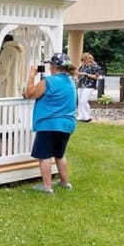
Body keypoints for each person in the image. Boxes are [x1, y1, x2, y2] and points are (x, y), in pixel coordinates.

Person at [24, 53, 77, 194]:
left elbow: (29, 93)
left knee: (44, 156)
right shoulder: (71, 82)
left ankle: (47, 187)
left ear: (53, 67)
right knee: (59, 155)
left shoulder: (49, 82)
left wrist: (31, 75)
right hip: (67, 124)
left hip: (49, 124)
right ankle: (65, 183)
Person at [77, 52, 100, 122]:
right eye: (82, 60)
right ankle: (81, 116)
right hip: (81, 85)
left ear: (88, 59)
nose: (83, 62)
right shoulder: (82, 66)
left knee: (84, 101)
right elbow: (78, 74)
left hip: (89, 85)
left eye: (84, 60)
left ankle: (87, 116)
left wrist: (86, 74)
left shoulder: (95, 66)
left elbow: (96, 77)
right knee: (80, 101)